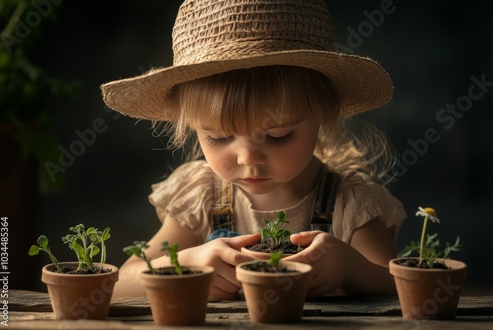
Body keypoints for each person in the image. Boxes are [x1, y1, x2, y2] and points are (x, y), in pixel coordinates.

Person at [101, 0, 406, 300]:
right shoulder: (202, 196)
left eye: (279, 135)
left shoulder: (350, 204)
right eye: (219, 138)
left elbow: (401, 283)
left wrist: (348, 267)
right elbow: (119, 284)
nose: (248, 159)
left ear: (326, 111)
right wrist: (188, 265)